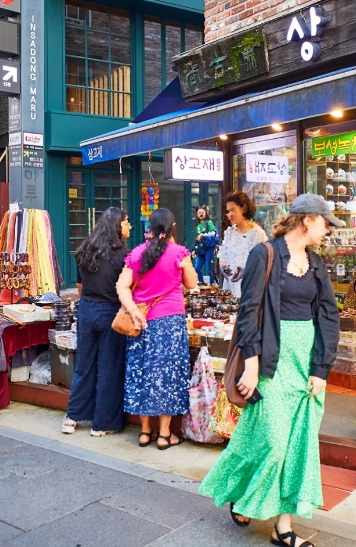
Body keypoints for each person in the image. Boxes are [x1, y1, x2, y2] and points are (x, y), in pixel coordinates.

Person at [199, 194, 342, 547]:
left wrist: (321, 368)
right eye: (325, 223)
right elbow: (248, 312)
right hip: (272, 362)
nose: (327, 231)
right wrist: (251, 366)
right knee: (272, 442)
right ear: (307, 221)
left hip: (306, 362)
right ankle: (244, 491)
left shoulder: (316, 263)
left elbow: (328, 316)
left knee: (297, 446)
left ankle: (284, 527)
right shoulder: (264, 254)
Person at [116, 208, 198, 449]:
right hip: (171, 322)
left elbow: (121, 286)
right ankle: (164, 434)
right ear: (173, 228)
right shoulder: (179, 253)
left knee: (143, 373)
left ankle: (144, 432)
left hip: (142, 323)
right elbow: (192, 283)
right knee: (168, 376)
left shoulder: (136, 253)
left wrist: (133, 310)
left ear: (150, 229)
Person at [62, 207, 132, 437]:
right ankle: (102, 423)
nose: (129, 226)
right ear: (117, 226)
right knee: (109, 367)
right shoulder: (123, 254)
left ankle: (72, 417)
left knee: (84, 365)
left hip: (86, 310)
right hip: (110, 311)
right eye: (126, 222)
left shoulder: (85, 249)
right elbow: (127, 288)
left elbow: (80, 286)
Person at [217, 191, 267, 299]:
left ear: (243, 208)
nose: (229, 215)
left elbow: (262, 262)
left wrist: (246, 271)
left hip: (249, 286)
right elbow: (223, 254)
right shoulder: (230, 232)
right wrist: (223, 266)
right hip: (230, 286)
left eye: (232, 210)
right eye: (228, 211)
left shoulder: (257, 234)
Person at [192, 205, 218, 285]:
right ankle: (202, 283)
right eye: (199, 213)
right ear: (197, 215)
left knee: (209, 267)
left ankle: (212, 284)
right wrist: (194, 250)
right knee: (197, 267)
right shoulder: (197, 227)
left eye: (202, 212)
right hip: (201, 249)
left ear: (206, 213)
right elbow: (197, 240)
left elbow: (214, 233)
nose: (201, 214)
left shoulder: (209, 223)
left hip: (209, 247)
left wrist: (203, 235)